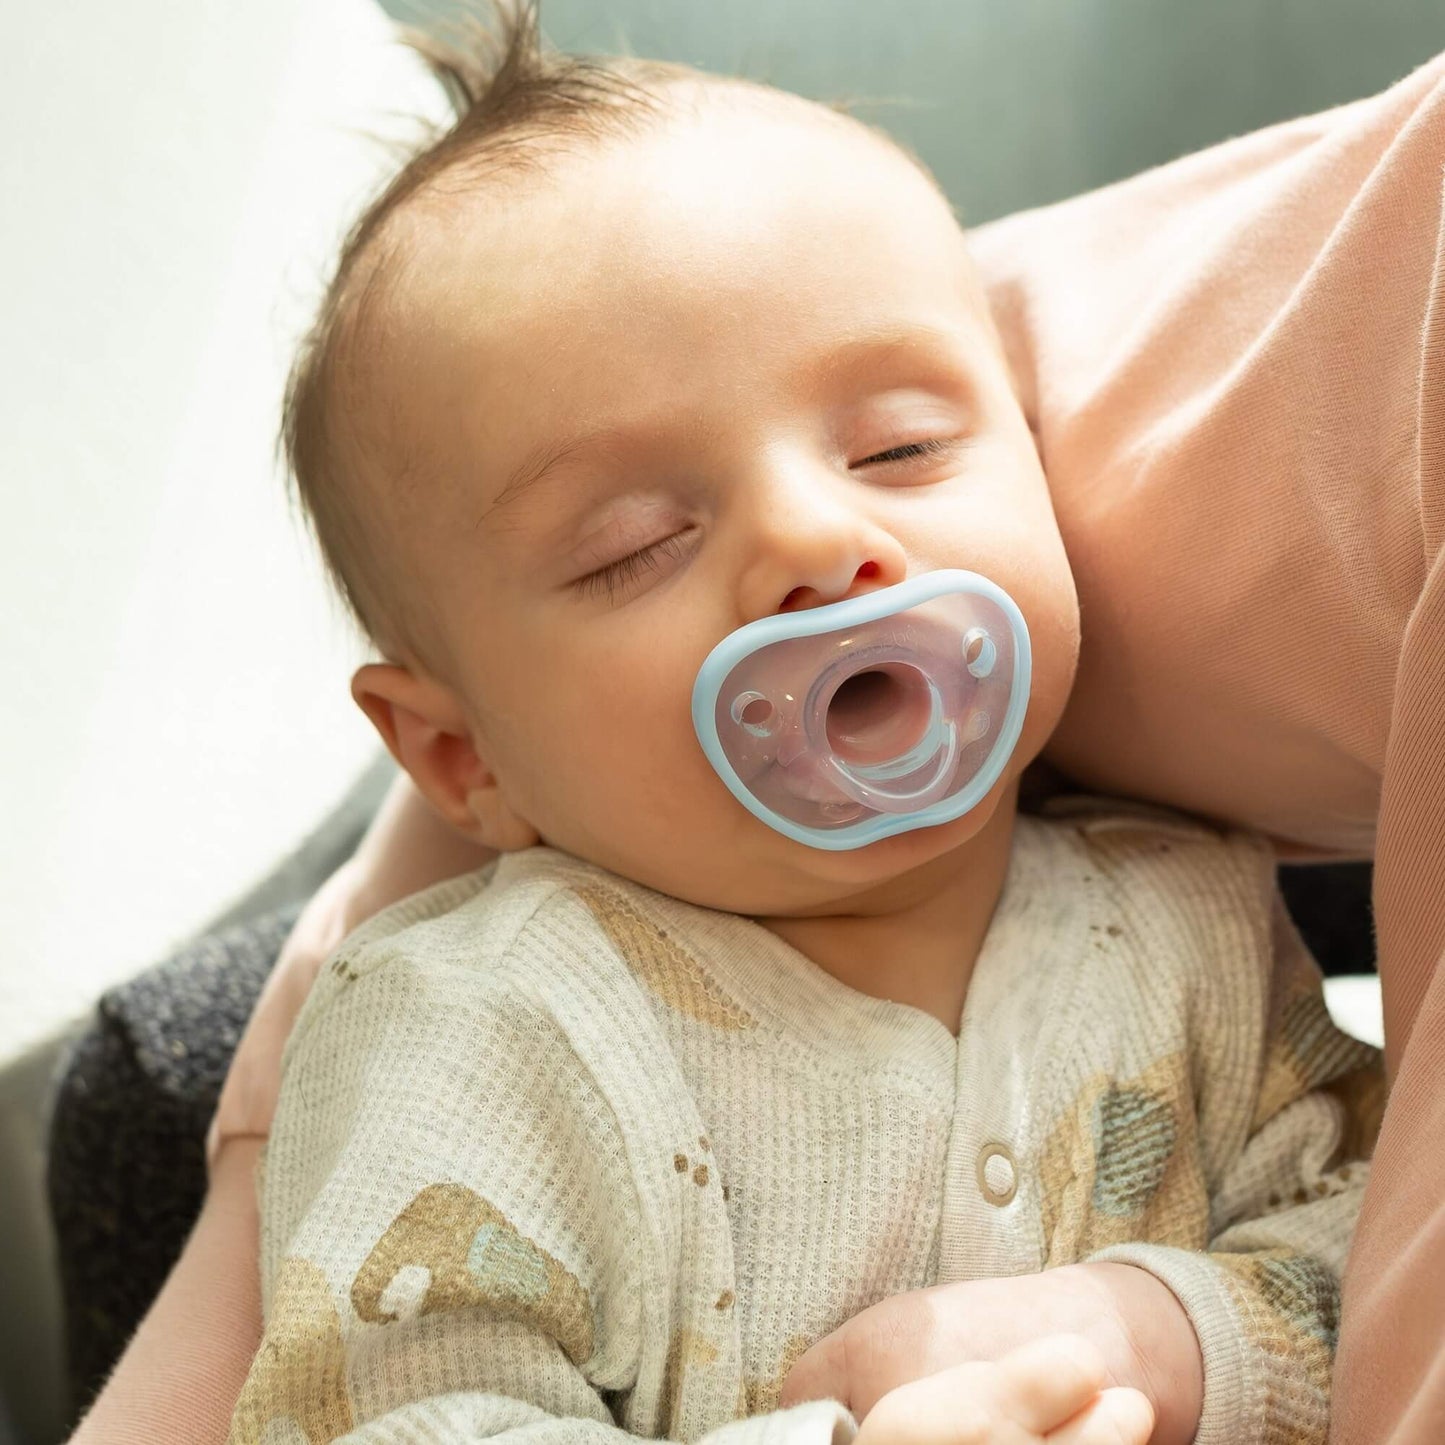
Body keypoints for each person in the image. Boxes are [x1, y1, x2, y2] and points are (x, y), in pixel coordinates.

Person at [67, 13, 1442, 1445]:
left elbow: (1372, 1242)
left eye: (900, 446)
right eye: (634, 543)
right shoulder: (476, 1029)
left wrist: (1174, 1339)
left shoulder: (1197, 923)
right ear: (462, 757)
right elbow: (393, 1415)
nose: (812, 532)